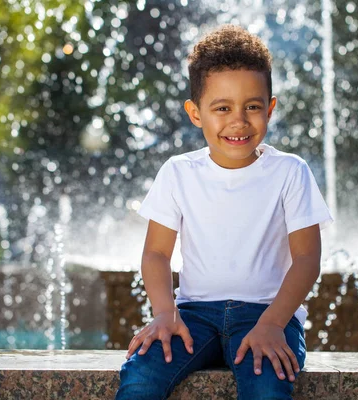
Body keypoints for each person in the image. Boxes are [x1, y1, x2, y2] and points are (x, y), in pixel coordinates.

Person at [116, 24, 333, 400]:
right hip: (193, 315)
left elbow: (306, 259)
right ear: (195, 113)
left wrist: (273, 323)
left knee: (267, 386)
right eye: (222, 108)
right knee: (140, 377)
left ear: (271, 107)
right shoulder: (178, 172)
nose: (239, 120)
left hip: (266, 314)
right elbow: (155, 253)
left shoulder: (290, 172)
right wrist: (165, 313)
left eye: (252, 106)